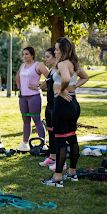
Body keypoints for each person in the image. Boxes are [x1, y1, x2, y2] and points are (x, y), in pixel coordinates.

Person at [42, 37, 89, 187]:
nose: (55, 51)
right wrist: (73, 88)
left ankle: (57, 178)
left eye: (56, 49)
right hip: (73, 104)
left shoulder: (62, 64)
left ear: (63, 50)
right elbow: (85, 77)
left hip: (62, 105)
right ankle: (72, 173)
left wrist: (62, 90)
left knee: (60, 139)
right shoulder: (73, 63)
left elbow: (67, 78)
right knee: (72, 137)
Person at [15, 47, 49, 151]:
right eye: (23, 54)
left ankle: (43, 144)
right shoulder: (23, 65)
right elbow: (18, 77)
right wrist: (19, 87)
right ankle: (25, 144)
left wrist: (39, 87)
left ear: (32, 55)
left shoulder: (38, 65)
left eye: (26, 54)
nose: (24, 56)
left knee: (36, 119)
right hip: (23, 97)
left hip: (34, 97)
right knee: (26, 120)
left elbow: (50, 77)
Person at [38, 48, 57, 168]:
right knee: (50, 131)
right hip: (49, 105)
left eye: (48, 57)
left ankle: (60, 161)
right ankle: (52, 157)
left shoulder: (60, 70)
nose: (45, 59)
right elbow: (46, 82)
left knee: (57, 134)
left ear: (55, 57)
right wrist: (38, 87)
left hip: (57, 106)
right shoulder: (51, 70)